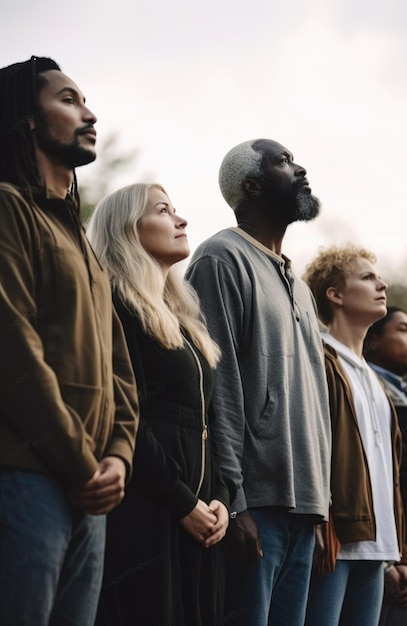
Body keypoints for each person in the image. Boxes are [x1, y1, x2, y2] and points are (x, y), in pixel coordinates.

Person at [0, 56, 139, 626]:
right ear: (28, 120)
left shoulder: (83, 241)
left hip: (96, 493)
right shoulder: (9, 207)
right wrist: (83, 464)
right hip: (27, 480)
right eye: (68, 99)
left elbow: (121, 373)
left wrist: (118, 458)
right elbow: (11, 344)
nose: (89, 113)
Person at [185, 138, 331, 626]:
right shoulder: (219, 259)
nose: (301, 167)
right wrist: (235, 500)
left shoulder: (303, 288)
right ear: (251, 184)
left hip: (305, 509)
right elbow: (217, 384)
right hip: (255, 507)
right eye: (285, 162)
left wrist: (323, 505)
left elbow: (316, 400)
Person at [86, 182, 233, 626]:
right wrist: (181, 502)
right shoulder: (112, 302)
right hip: (147, 509)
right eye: (164, 210)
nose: (181, 220)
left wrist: (221, 497)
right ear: (127, 229)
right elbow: (123, 413)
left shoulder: (185, 319)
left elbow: (209, 419)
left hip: (204, 515)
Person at [303, 244, 404, 626]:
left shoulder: (374, 379)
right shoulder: (319, 360)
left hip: (379, 545)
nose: (383, 284)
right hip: (336, 539)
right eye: (367, 277)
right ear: (335, 294)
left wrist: (397, 549)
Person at [365, 306, 407, 625]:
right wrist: (400, 554)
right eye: (402, 329)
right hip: (399, 541)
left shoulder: (402, 394)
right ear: (372, 340)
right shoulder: (373, 394)